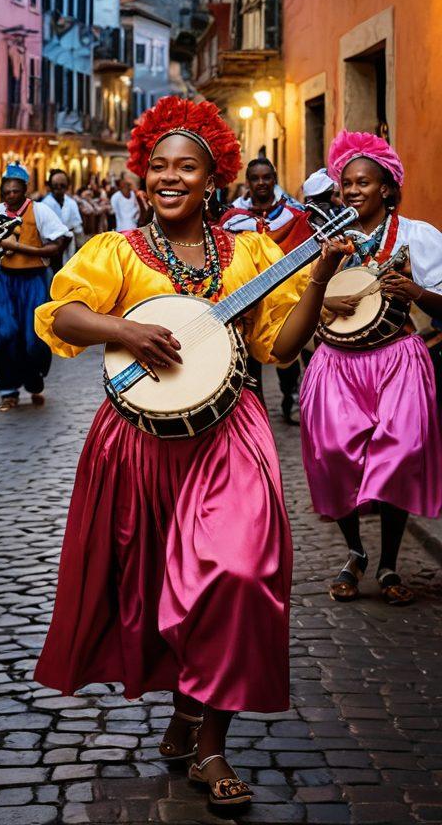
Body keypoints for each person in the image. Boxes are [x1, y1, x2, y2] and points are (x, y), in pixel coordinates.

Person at [33, 97, 344, 809]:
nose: (170, 178)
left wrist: (320, 275)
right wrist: (128, 331)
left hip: (230, 432)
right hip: (137, 444)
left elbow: (280, 346)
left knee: (236, 572)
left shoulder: (256, 254)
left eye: (188, 167)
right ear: (142, 179)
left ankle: (211, 747)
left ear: (214, 179)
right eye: (158, 167)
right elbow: (65, 315)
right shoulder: (117, 251)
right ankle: (185, 705)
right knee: (151, 589)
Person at [300, 130, 442, 606]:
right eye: (347, 184)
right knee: (336, 454)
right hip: (336, 364)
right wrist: (322, 297)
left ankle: (388, 563)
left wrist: (417, 294)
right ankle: (356, 553)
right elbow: (292, 304)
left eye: (364, 182)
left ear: (386, 187)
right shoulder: (322, 242)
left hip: (397, 360)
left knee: (399, 452)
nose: (354, 191)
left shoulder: (417, 237)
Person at [220, 157, 315, 423]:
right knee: (248, 360)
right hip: (246, 299)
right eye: (255, 178)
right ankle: (253, 412)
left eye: (266, 177)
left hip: (284, 296)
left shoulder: (294, 215)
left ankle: (290, 396)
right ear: (247, 182)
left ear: (274, 179)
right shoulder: (232, 218)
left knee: (285, 353)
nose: (261, 183)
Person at [0, 163, 69, 411]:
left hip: (34, 280)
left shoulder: (41, 212)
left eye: (16, 191)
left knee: (33, 337)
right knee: (3, 333)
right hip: (6, 280)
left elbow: (57, 244)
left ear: (24, 191)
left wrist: (20, 248)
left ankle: (34, 378)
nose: (11, 196)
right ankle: (8, 391)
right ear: (1, 193)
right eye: (6, 193)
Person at [41, 169, 84, 264]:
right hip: (50, 249)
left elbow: (78, 229)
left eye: (62, 185)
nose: (59, 188)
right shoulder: (44, 205)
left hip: (69, 248)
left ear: (67, 187)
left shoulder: (72, 203)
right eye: (55, 185)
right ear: (50, 186)